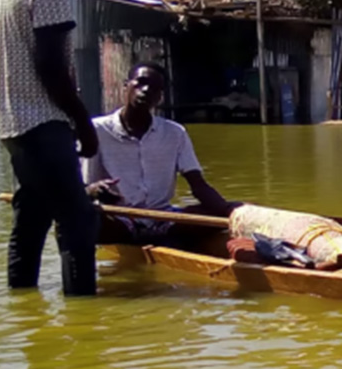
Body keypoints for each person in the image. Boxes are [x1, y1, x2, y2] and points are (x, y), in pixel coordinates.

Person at [0, 0, 100, 296]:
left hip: (10, 123)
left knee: (31, 218)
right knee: (77, 220)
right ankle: (84, 325)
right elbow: (51, 65)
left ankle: (24, 313)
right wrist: (83, 124)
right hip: (42, 121)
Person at [82, 62, 234, 247]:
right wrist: (93, 190)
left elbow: (198, 185)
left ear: (160, 97)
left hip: (163, 218)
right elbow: (82, 187)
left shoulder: (175, 133)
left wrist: (229, 211)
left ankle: (157, 239)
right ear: (126, 86)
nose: (146, 90)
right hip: (120, 220)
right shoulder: (96, 130)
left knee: (230, 209)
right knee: (80, 216)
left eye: (154, 88)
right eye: (140, 83)